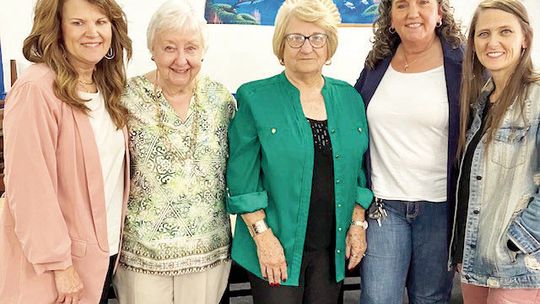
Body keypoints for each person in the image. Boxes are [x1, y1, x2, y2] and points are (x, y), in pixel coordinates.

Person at [226, 0, 373, 303]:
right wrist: (263, 237)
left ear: (329, 45)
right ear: (281, 44)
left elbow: (359, 173)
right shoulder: (255, 97)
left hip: (330, 251)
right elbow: (242, 180)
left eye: (317, 37)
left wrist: (358, 224)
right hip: (274, 245)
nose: (306, 47)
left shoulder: (350, 98)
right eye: (295, 37)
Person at [0, 0, 132, 303]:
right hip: (57, 267)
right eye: (78, 23)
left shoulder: (106, 86)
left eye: (101, 22)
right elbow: (29, 188)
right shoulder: (37, 88)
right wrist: (59, 264)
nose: (93, 32)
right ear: (56, 28)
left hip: (103, 253)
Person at [112, 1, 235, 303]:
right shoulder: (125, 99)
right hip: (143, 253)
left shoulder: (221, 100)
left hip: (207, 249)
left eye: (191, 48)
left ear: (203, 51)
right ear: (152, 49)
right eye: (169, 48)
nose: (181, 60)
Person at [353, 0, 464, 303]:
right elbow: (354, 122)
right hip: (383, 207)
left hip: (440, 209)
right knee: (378, 298)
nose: (412, 13)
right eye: (402, 5)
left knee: (430, 298)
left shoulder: (463, 64)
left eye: (423, 3)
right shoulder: (377, 63)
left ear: (439, 13)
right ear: (390, 18)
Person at [450, 0, 540, 302]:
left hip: (514, 266)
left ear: (524, 38)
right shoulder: (482, 102)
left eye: (505, 31)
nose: (493, 42)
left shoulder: (537, 97)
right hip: (475, 258)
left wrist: (519, 240)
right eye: (483, 33)